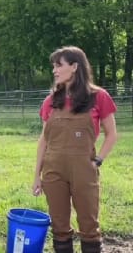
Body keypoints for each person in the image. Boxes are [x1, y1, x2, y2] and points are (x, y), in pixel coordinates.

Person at [32, 46, 118, 253]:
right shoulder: (50, 101)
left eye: (58, 65)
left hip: (84, 169)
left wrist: (97, 160)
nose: (54, 70)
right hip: (53, 171)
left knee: (89, 224)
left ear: (75, 66)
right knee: (59, 226)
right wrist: (37, 176)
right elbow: (44, 140)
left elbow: (112, 134)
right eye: (53, 66)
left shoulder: (99, 97)